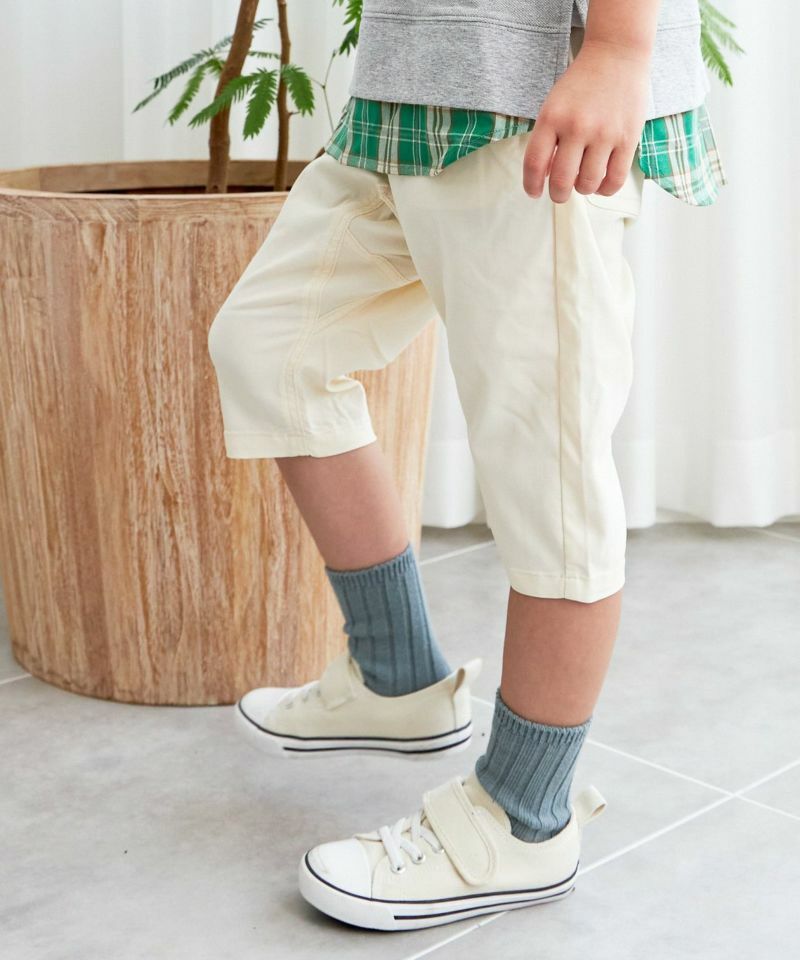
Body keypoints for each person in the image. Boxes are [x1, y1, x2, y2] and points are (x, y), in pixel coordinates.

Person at [207, 0, 726, 932]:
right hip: (412, 83)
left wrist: (619, 47)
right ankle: (396, 677)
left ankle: (525, 816)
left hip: (527, 106)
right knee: (272, 350)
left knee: (549, 480)